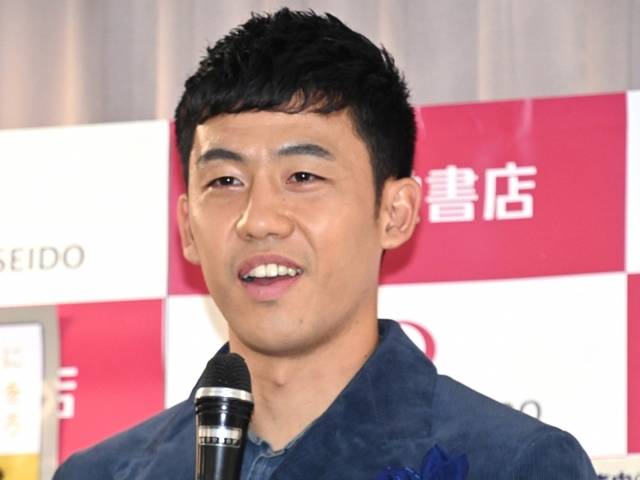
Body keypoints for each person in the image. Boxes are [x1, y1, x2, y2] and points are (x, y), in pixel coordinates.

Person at [54, 8, 597, 479]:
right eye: (225, 181)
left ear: (396, 212)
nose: (258, 220)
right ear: (187, 228)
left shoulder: (511, 462)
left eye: (303, 177)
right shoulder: (102, 473)